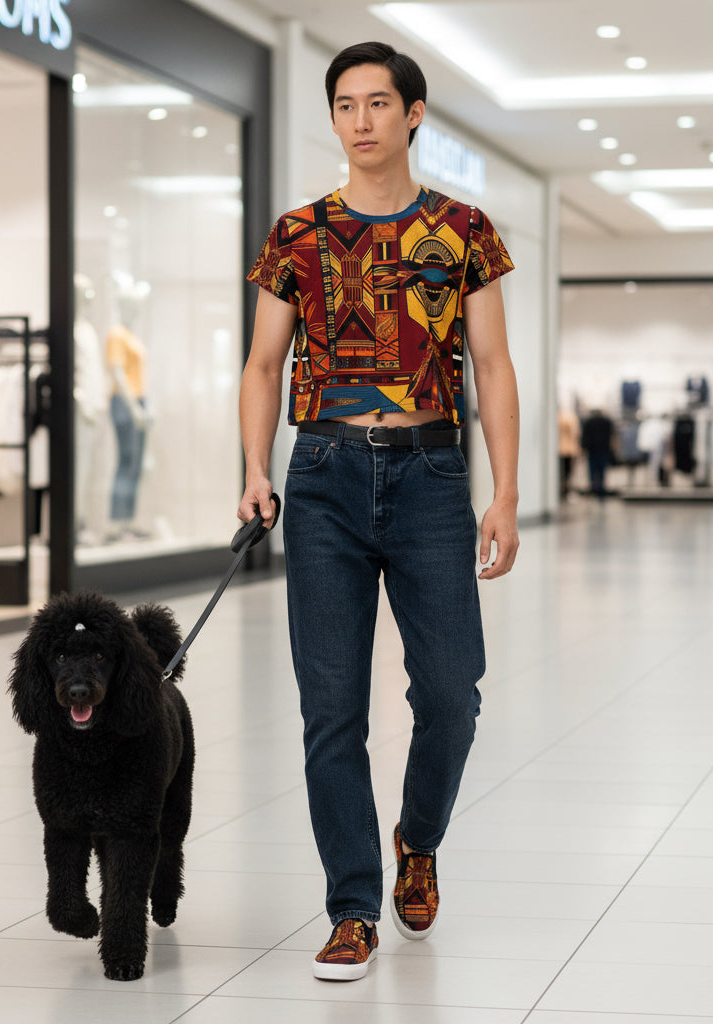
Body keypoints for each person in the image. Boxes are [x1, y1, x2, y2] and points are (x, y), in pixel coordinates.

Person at [237, 41, 520, 981]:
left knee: (451, 692)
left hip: (432, 478)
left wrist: (506, 493)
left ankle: (420, 836)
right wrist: (255, 468)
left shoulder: (463, 228)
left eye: (377, 103)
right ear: (334, 120)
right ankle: (352, 906)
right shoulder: (296, 234)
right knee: (331, 712)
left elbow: (493, 368)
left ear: (414, 115)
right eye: (345, 105)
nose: (360, 120)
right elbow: (261, 365)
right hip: (321, 477)